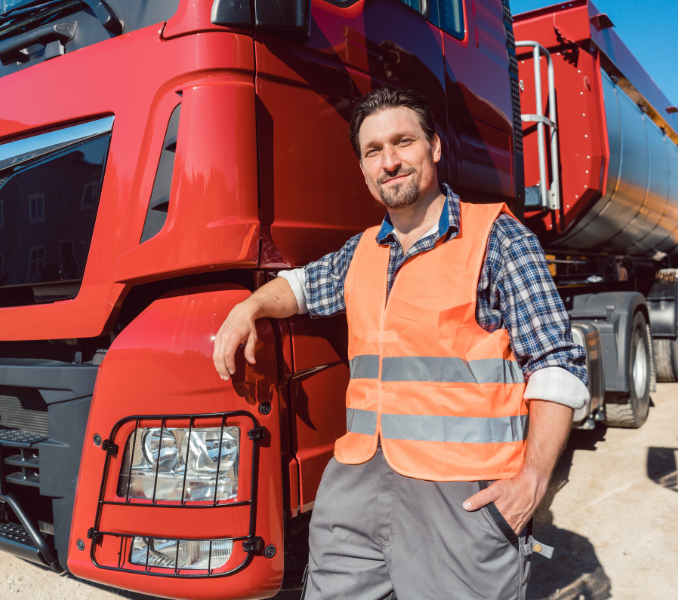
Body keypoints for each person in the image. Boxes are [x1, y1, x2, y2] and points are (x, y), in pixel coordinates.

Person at [213, 86, 589, 599]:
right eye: (373, 151)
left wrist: (532, 484)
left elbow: (557, 363)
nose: (390, 162)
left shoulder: (498, 238)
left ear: (434, 147)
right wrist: (248, 307)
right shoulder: (361, 250)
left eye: (403, 142)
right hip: (358, 486)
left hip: (460, 498)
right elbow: (300, 286)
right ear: (363, 168)